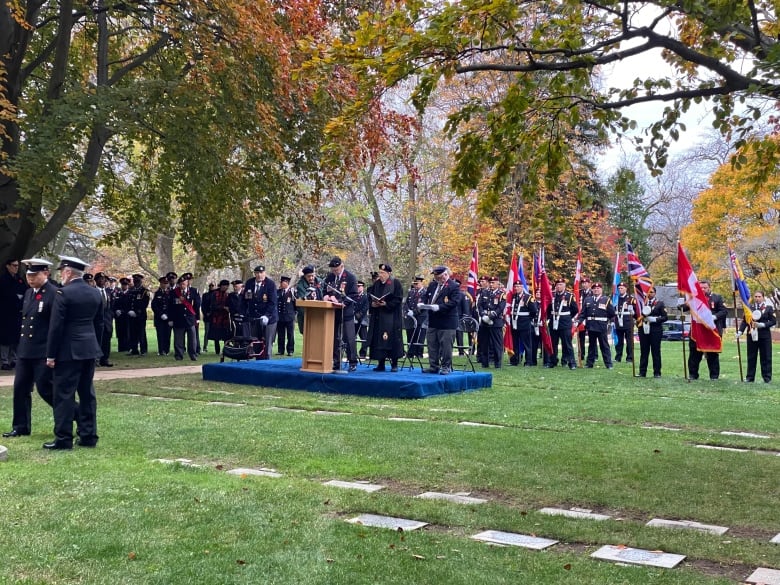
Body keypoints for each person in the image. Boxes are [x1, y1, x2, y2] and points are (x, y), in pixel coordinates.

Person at [44, 256, 103, 450]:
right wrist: (97, 347)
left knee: (63, 395)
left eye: (62, 271)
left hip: (68, 351)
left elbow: (56, 327)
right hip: (89, 348)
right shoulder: (95, 293)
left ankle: (63, 438)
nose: (61, 275)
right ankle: (88, 435)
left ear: (69, 272)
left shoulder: (63, 293)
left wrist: (51, 355)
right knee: (87, 393)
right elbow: (99, 324)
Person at [3, 259, 58, 437]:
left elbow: (55, 326)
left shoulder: (54, 293)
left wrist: (52, 353)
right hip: (25, 350)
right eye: (28, 275)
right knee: (20, 388)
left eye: (35, 275)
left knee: (45, 389)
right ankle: (20, 426)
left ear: (46, 274)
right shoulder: (28, 293)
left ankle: (77, 415)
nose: (31, 279)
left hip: (42, 350)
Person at [421, 265, 462, 375]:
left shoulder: (454, 286)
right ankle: (433, 366)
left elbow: (454, 302)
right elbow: (426, 296)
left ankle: (446, 366)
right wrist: (423, 303)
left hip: (447, 321)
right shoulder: (433, 285)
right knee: (432, 344)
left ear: (445, 275)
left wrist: (440, 307)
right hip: (433, 320)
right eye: (435, 277)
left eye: (438, 277)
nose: (436, 279)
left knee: (446, 346)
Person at [366, 263, 404, 371]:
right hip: (378, 316)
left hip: (391, 317)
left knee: (392, 340)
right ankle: (380, 363)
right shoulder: (376, 284)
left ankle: (394, 364)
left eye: (383, 273)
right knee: (378, 339)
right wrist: (372, 304)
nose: (380, 275)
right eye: (380, 272)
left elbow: (398, 299)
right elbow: (370, 297)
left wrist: (386, 304)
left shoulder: (395, 283)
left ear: (388, 273)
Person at [323, 256, 359, 372]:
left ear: (342, 266)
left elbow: (353, 295)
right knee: (334, 338)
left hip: (346, 312)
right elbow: (325, 289)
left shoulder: (350, 277)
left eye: (337, 269)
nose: (335, 272)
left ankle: (352, 361)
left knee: (349, 338)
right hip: (332, 313)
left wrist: (342, 302)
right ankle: (336, 361)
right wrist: (326, 296)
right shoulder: (330, 277)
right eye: (333, 270)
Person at [687, 280, 727, 380]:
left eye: (705, 287)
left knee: (712, 354)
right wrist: (682, 304)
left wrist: (714, 316)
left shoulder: (717, 298)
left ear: (709, 288)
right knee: (694, 354)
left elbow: (724, 311)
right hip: (698, 331)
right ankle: (693, 374)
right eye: (701, 288)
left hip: (711, 330)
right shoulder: (694, 298)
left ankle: (714, 376)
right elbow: (685, 307)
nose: (703, 289)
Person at [737, 290, 776, 383]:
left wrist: (763, 325)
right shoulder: (750, 307)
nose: (757, 298)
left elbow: (773, 321)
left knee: (766, 357)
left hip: (764, 336)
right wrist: (740, 331)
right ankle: (750, 377)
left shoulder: (768, 308)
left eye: (759, 296)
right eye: (756, 296)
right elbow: (745, 321)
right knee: (751, 357)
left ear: (763, 297)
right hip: (752, 335)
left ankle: (767, 378)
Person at [243, 265, 278, 359]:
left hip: (269, 318)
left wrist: (267, 315)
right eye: (257, 273)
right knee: (256, 342)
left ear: (264, 273)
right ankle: (258, 363)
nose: (259, 275)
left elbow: (273, 302)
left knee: (267, 343)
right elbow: (245, 299)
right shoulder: (250, 283)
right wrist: (242, 313)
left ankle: (267, 364)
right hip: (255, 318)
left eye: (261, 273)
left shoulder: (270, 284)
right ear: (255, 273)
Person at [0, 258, 27, 370]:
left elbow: (24, 292)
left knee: (16, 336)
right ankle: (4, 360)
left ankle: (14, 359)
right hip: (5, 313)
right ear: (7, 266)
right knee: (5, 337)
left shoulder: (19, 280)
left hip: (17, 313)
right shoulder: (3, 280)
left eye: (17, 266)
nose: (16, 268)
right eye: (14, 265)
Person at [582, 282, 615, 369]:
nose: (596, 290)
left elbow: (612, 313)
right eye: (594, 289)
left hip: (601, 326)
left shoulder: (606, 300)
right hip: (591, 326)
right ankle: (589, 363)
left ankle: (608, 364)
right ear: (592, 290)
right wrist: (578, 321)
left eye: (598, 288)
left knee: (604, 345)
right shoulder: (587, 300)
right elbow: (583, 313)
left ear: (601, 290)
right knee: (591, 346)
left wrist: (607, 320)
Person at [548, 278, 578, 369]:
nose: (558, 286)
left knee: (567, 344)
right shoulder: (552, 295)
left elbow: (575, 310)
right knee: (553, 343)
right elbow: (548, 308)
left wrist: (567, 318)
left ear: (564, 286)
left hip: (565, 323)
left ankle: (571, 363)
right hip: (553, 322)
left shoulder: (570, 296)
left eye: (561, 285)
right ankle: (552, 361)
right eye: (557, 285)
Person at [477, 276, 506, 368]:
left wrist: (490, 317)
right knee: (484, 343)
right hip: (485, 321)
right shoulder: (484, 292)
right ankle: (485, 363)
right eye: (490, 283)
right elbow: (479, 305)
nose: (491, 284)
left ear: (498, 283)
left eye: (493, 283)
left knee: (497, 343)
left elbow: (500, 308)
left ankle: (497, 363)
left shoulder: (501, 294)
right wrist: (483, 315)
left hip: (496, 322)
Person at [638, 287, 667, 378]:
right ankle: (642, 372)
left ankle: (657, 372)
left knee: (656, 352)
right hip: (643, 329)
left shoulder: (660, 304)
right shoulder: (642, 303)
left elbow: (665, 317)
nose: (649, 294)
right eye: (648, 292)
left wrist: (655, 319)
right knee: (644, 351)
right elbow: (637, 315)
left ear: (655, 293)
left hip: (655, 330)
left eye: (652, 292)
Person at [506, 281, 537, 366]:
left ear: (522, 287)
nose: (516, 288)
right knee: (515, 343)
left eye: (518, 286)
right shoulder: (513, 297)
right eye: (515, 286)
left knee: (527, 344)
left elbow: (534, 311)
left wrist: (528, 319)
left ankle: (529, 362)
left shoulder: (528, 297)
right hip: (514, 323)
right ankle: (515, 361)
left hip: (524, 323)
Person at [171, 273, 201, 361]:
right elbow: (171, 307)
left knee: (192, 339)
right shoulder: (174, 292)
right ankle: (179, 355)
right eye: (180, 284)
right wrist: (171, 319)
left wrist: (197, 318)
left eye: (183, 284)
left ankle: (193, 355)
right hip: (178, 319)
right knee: (178, 339)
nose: (182, 286)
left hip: (190, 319)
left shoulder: (194, 291)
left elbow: (197, 306)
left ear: (187, 283)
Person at [613, 282, 638, 363]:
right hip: (618, 322)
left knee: (629, 342)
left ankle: (630, 358)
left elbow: (636, 311)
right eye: (619, 288)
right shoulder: (616, 299)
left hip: (628, 322)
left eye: (622, 288)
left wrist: (632, 310)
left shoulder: (631, 299)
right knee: (619, 341)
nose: (620, 289)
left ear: (626, 289)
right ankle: (618, 357)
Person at [404, 276, 427, 358]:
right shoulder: (411, 292)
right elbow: (406, 303)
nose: (415, 285)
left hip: (420, 317)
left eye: (417, 284)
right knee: (410, 335)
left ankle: (419, 353)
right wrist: (407, 311)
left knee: (419, 335)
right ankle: (410, 353)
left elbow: (423, 306)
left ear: (421, 283)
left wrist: (414, 312)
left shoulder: (425, 293)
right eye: (414, 284)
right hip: (411, 318)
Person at [126, 273, 150, 355]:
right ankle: (134, 349)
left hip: (140, 316)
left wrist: (136, 312)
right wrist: (129, 310)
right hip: (131, 315)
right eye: (135, 281)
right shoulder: (131, 290)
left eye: (138, 281)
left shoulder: (144, 291)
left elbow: (144, 304)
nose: (136, 282)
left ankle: (143, 350)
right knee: (132, 333)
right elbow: (128, 302)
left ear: (141, 281)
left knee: (141, 333)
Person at [206, 280, 232, 355]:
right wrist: (223, 307)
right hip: (216, 317)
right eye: (224, 286)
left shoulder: (228, 294)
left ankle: (226, 350)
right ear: (221, 286)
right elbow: (213, 305)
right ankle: (217, 350)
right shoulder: (215, 294)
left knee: (226, 335)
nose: (225, 287)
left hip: (225, 318)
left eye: (227, 286)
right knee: (216, 336)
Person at [94, 272, 114, 367]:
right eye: (100, 279)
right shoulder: (93, 291)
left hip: (107, 320)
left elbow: (111, 306)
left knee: (106, 340)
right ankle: (96, 359)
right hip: (96, 320)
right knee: (97, 340)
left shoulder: (108, 291)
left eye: (104, 280)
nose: (103, 281)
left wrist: (110, 316)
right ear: (96, 280)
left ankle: (105, 359)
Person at [295, 265, 323, 334]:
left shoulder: (320, 282)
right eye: (308, 276)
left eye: (312, 276)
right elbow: (302, 302)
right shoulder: (300, 285)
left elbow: (323, 295)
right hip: (307, 316)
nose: (311, 278)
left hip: (320, 315)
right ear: (305, 276)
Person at [151, 276, 173, 356]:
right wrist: (160, 314)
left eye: (166, 283)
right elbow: (154, 306)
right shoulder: (157, 293)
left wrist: (168, 315)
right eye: (164, 283)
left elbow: (172, 306)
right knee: (160, 334)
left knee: (167, 334)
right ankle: (161, 350)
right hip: (159, 318)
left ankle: (166, 350)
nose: (165, 285)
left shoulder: (171, 293)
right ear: (161, 284)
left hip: (168, 317)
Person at [275, 276, 296, 356]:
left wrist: (294, 313)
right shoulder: (278, 292)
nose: (283, 284)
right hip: (280, 316)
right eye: (282, 283)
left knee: (290, 335)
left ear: (287, 283)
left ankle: (290, 350)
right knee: (281, 334)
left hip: (289, 316)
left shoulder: (292, 293)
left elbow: (295, 304)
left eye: (285, 283)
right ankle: (280, 350)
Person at [576, 277, 594, 363]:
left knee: (592, 337)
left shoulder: (593, 292)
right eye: (582, 283)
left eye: (586, 283)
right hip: (581, 317)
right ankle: (581, 354)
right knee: (581, 337)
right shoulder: (579, 293)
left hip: (590, 317)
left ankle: (594, 355)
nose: (584, 284)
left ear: (589, 284)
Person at [112, 277, 131, 352]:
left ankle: (128, 347)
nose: (124, 286)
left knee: (127, 332)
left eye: (125, 285)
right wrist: (116, 310)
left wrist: (122, 311)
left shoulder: (130, 294)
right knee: (120, 332)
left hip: (126, 316)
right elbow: (114, 304)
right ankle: (121, 348)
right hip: (119, 317)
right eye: (123, 285)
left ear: (128, 285)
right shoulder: (117, 293)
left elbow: (130, 306)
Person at [354, 280, 370, 358]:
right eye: (357, 286)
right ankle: (353, 353)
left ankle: (363, 353)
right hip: (354, 319)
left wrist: (359, 314)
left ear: (362, 287)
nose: (358, 288)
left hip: (362, 319)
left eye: (359, 286)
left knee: (364, 338)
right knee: (353, 337)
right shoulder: (354, 296)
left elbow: (366, 307)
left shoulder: (365, 297)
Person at [200, 283, 215, 353]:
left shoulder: (216, 294)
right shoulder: (205, 295)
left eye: (213, 286)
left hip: (215, 316)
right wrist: (206, 313)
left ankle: (216, 349)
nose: (211, 287)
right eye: (210, 286)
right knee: (207, 332)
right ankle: (205, 347)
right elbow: (203, 306)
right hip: (207, 316)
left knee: (216, 332)